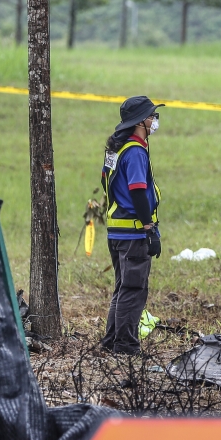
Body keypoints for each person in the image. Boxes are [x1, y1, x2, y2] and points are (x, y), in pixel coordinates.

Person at [100, 95, 165, 354]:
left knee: (122, 288)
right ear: (140, 122)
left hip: (116, 230)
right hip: (133, 231)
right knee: (133, 289)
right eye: (152, 116)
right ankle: (125, 346)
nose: (154, 121)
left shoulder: (117, 148)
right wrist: (149, 228)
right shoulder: (136, 151)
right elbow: (138, 191)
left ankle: (111, 341)